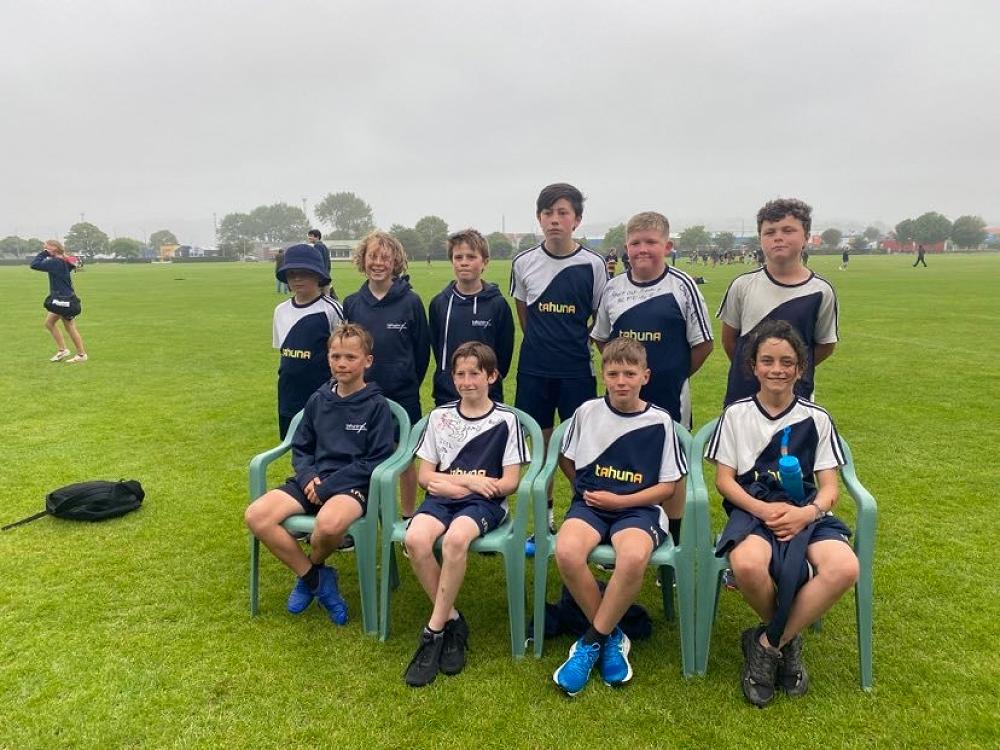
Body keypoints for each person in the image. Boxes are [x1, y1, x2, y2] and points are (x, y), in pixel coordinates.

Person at [705, 320, 858, 707]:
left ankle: (767, 643)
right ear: (753, 366)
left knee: (845, 568)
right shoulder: (736, 415)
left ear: (800, 368)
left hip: (805, 511)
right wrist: (763, 509)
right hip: (753, 510)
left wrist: (807, 514)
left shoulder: (817, 418)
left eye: (787, 362)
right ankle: (788, 642)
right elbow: (725, 481)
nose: (777, 369)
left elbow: (829, 488)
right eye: (768, 361)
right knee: (747, 565)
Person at [551, 337, 686, 696]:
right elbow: (567, 458)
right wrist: (586, 490)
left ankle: (592, 640)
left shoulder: (660, 420)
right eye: (613, 374)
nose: (621, 381)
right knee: (566, 551)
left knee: (633, 557)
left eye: (629, 373)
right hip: (591, 506)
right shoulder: (587, 412)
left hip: (639, 508)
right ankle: (612, 636)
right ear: (603, 375)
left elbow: (668, 487)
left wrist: (621, 500)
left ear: (645, 376)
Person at [244, 324, 395, 626]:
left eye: (351, 357)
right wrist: (308, 477)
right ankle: (316, 578)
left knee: (327, 526)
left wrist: (329, 486)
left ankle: (311, 573)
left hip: (351, 486)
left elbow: (376, 459)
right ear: (327, 359)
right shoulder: (317, 399)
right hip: (312, 481)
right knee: (256, 516)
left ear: (367, 361)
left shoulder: (377, 406)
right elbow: (302, 448)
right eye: (335, 356)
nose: (342, 363)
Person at [402, 342, 529, 687]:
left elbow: (509, 482)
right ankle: (453, 620)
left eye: (475, 373)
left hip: (484, 504)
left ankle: (433, 632)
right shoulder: (439, 417)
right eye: (460, 374)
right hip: (443, 498)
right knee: (415, 539)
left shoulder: (506, 420)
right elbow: (425, 476)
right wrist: (467, 482)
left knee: (456, 540)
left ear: (492, 376)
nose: (467, 381)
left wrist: (461, 484)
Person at [590, 211, 712, 544]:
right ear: (626, 248)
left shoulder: (682, 285)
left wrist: (676, 373)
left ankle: (673, 540)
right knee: (621, 460)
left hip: (670, 394)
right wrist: (622, 375)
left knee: (672, 465)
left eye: (651, 242)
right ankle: (617, 531)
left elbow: (703, 343)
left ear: (667, 246)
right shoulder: (613, 288)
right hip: (623, 397)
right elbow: (601, 337)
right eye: (635, 243)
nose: (642, 249)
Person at [510, 183, 608, 539]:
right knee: (540, 446)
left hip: (576, 371)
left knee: (581, 449)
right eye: (548, 213)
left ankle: (589, 514)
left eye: (563, 213)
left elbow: (600, 318)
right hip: (534, 370)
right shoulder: (523, 262)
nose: (555, 219)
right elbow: (524, 314)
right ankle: (545, 518)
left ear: (576, 220)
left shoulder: (594, 264)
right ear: (539, 218)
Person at [717, 198, 838, 407]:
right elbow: (729, 342)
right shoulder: (742, 285)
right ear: (760, 239)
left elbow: (825, 345)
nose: (778, 237)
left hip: (796, 398)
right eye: (770, 232)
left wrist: (789, 368)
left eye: (788, 230)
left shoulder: (821, 291)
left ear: (806, 237)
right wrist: (755, 368)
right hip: (743, 397)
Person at [343, 231, 430, 518]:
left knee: (404, 458)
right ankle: (363, 517)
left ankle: (407, 518)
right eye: (372, 256)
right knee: (361, 457)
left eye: (385, 257)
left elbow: (421, 350)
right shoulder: (352, 303)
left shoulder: (411, 301)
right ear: (363, 260)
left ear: (395, 262)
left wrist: (406, 380)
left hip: (403, 394)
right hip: (362, 396)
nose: (378, 263)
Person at [428, 229, 514, 406]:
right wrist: (446, 377)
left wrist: (488, 381)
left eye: (471, 257)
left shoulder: (498, 305)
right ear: (452, 261)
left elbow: (504, 354)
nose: (464, 263)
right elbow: (437, 347)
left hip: (487, 396)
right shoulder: (439, 303)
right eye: (458, 257)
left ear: (485, 262)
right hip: (447, 395)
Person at [273, 244, 344, 440]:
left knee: (325, 444)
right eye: (291, 274)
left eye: (304, 273)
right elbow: (283, 352)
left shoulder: (331, 309)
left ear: (317, 275)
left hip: (322, 394)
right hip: (289, 394)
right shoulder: (280, 311)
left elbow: (344, 353)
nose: (297, 279)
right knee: (295, 444)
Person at [31, 239, 88, 363]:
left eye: (46, 247)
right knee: (49, 323)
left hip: (64, 300)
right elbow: (80, 264)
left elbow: (34, 264)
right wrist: (65, 256)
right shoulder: (63, 261)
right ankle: (63, 350)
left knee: (70, 327)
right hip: (61, 298)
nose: (44, 249)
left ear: (54, 248)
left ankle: (81, 354)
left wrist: (44, 254)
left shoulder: (54, 262)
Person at [307, 229, 332, 295]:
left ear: (317, 237)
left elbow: (317, 262)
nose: (309, 237)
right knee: (327, 298)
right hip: (326, 276)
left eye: (311, 236)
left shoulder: (317, 246)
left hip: (320, 277)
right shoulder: (324, 246)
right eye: (308, 236)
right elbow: (328, 264)